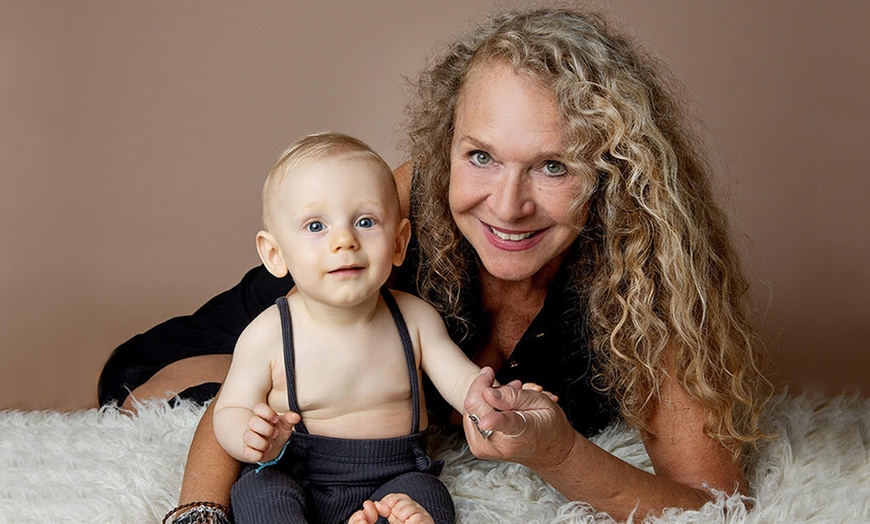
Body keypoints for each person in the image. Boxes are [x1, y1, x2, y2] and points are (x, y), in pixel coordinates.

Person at [99, 7, 769, 523]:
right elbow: (242, 395)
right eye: (480, 156)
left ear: (615, 174)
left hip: (385, 447)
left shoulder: (649, 273)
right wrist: (209, 495)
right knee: (150, 386)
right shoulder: (399, 209)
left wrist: (560, 453)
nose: (507, 206)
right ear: (447, 148)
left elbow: (714, 504)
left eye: (553, 166)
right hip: (262, 334)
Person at [212, 131, 517, 524]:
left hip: (394, 477)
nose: (345, 240)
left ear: (399, 243)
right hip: (295, 474)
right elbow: (231, 408)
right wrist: (250, 436)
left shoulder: (415, 319)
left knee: (428, 494)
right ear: (275, 254)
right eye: (316, 226)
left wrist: (493, 400)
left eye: (365, 221)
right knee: (258, 491)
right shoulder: (268, 333)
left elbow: (462, 383)